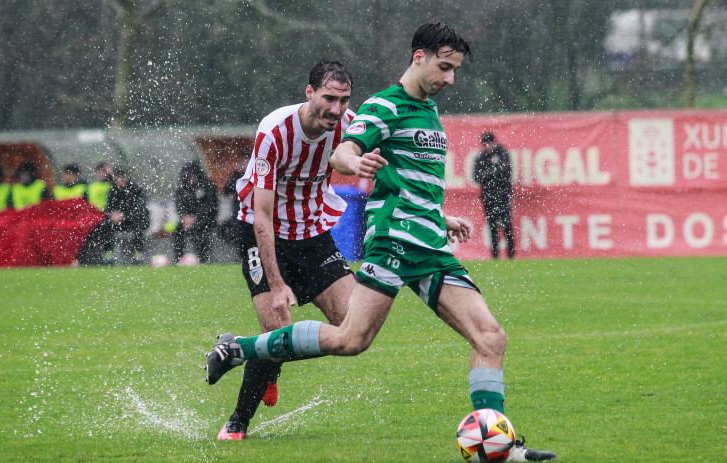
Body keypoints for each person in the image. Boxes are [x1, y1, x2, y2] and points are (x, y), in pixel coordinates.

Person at [205, 23, 556, 461]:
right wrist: (353, 162)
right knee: (332, 335)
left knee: (488, 337)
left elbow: (404, 178)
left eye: (455, 70)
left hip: (414, 243)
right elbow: (343, 153)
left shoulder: (426, 112)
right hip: (367, 241)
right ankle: (241, 367)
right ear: (419, 58)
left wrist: (440, 217)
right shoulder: (377, 107)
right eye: (445, 68)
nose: (451, 79)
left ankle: (499, 447)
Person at [206, 60, 358, 441]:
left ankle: (239, 348)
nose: (336, 109)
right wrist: (276, 285)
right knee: (278, 331)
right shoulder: (274, 131)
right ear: (309, 94)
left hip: (312, 234)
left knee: (354, 327)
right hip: (263, 233)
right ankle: (237, 424)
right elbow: (262, 215)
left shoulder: (348, 127)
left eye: (343, 100)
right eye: (328, 98)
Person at [473, 132, 514, 259]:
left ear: (494, 143)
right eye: (485, 144)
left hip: (503, 196)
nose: (487, 146)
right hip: (488, 197)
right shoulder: (480, 157)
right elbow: (475, 176)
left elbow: (505, 170)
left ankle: (511, 256)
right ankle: (495, 256)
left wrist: (488, 174)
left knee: (507, 226)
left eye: (489, 143)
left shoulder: (502, 153)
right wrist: (494, 174)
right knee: (492, 227)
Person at [172, 161, 219, 264]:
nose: (192, 179)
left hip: (206, 220)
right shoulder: (182, 188)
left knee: (200, 232)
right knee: (178, 230)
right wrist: (185, 217)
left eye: (194, 176)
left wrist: (196, 218)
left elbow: (211, 207)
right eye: (189, 176)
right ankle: (179, 259)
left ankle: (203, 259)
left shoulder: (208, 186)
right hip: (187, 221)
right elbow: (179, 205)